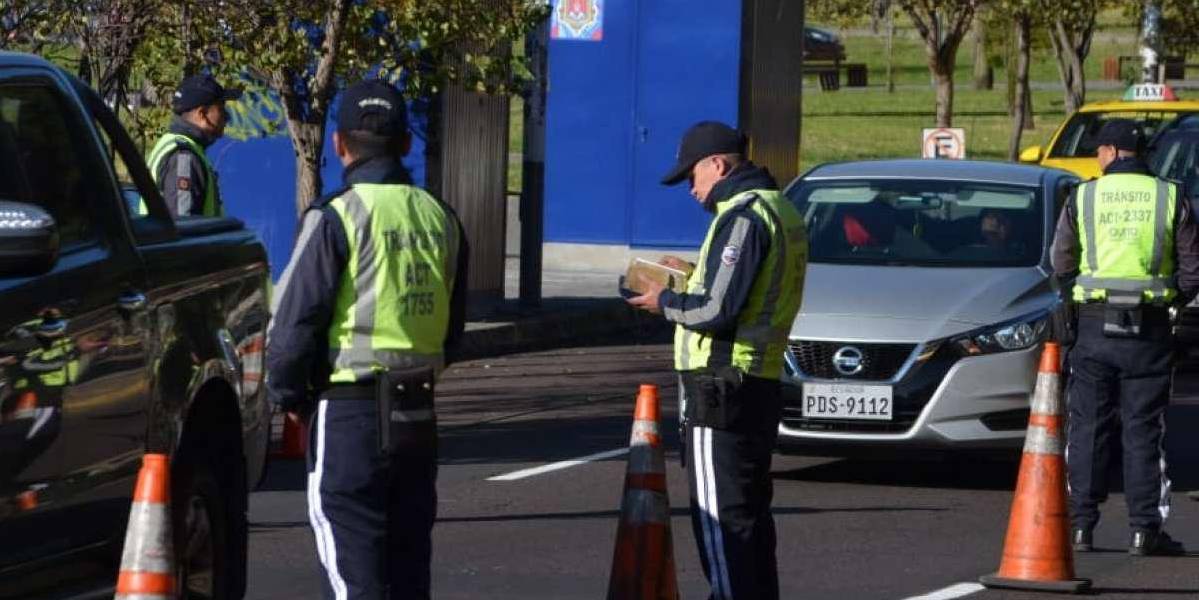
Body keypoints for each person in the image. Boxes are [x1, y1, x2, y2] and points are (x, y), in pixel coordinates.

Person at [266, 79, 468, 599]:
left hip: (348, 410)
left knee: (353, 573)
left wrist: (288, 397)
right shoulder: (441, 218)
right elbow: (453, 329)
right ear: (406, 144)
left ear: (338, 144)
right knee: (407, 573)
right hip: (417, 414)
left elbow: (293, 329)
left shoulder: (335, 217)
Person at [627, 121, 807, 599]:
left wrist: (663, 300)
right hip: (757, 381)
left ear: (718, 165)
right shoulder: (779, 208)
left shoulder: (743, 216)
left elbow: (716, 309)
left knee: (720, 522)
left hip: (719, 386)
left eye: (693, 176)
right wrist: (688, 278)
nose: (691, 189)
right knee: (748, 520)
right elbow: (745, 293)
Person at [1051, 118, 1199, 556]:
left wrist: (1074, 297)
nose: (1097, 156)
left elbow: (1061, 261)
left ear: (1113, 153)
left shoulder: (1084, 196)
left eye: (1099, 150)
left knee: (1088, 427)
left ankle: (1080, 526)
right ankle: (1143, 529)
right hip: (1150, 330)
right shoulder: (1171, 197)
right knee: (1144, 431)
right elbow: (1193, 268)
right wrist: (1171, 299)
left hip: (1094, 326)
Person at [146, 73, 241, 217]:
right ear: (202, 114)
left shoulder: (178, 145)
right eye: (221, 109)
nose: (226, 117)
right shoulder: (183, 157)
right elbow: (183, 227)